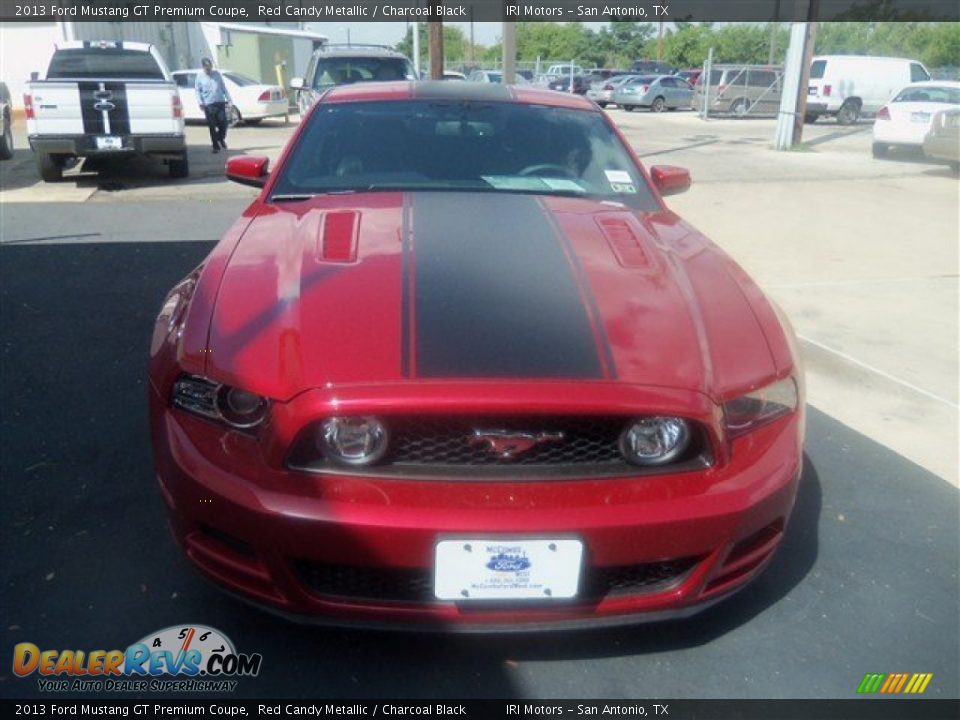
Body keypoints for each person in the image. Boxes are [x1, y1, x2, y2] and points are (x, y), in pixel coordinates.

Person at [195, 58, 232, 153]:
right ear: (203, 67)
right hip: (209, 104)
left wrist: (229, 99)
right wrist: (200, 102)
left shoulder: (217, 74)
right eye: (207, 68)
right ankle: (215, 146)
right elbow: (198, 91)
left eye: (210, 67)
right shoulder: (199, 77)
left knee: (224, 123)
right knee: (212, 126)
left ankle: (220, 138)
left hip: (220, 102)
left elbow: (223, 87)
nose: (209, 69)